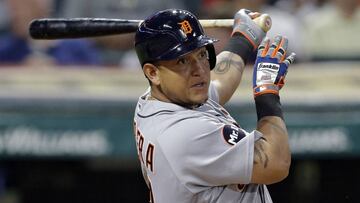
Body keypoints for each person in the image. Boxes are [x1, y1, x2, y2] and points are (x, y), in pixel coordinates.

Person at [133, 8, 295, 202]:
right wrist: (267, 93)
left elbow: (219, 81)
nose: (200, 70)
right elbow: (277, 162)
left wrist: (244, 36)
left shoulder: (159, 98)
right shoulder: (184, 134)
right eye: (182, 61)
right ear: (152, 73)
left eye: (201, 55)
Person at [0, 0, 101, 66]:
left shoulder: (77, 47)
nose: (14, 15)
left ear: (40, 8)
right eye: (12, 9)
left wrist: (57, 70)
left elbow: (98, 79)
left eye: (19, 8)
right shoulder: (6, 50)